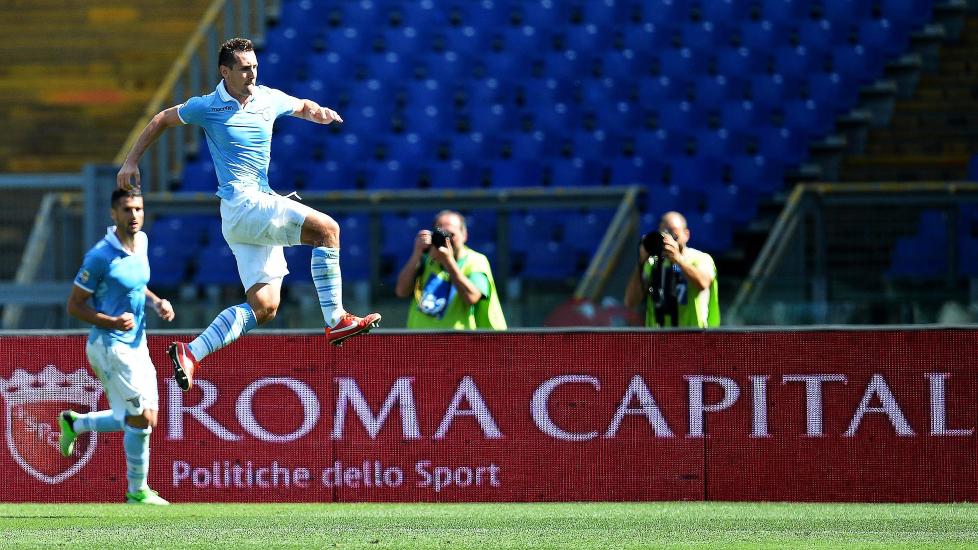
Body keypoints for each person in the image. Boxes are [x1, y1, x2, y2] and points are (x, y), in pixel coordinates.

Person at [116, 38, 380, 392]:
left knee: (265, 306)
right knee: (327, 230)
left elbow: (300, 105)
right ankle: (336, 320)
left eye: (254, 66)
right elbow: (163, 118)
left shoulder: (267, 98)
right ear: (224, 72)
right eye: (244, 68)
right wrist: (131, 161)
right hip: (244, 204)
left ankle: (191, 352)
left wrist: (317, 112)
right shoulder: (207, 106)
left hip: (248, 216)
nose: (252, 73)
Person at [60, 188, 175, 505]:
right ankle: (137, 491)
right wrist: (111, 321)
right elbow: (74, 305)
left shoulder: (143, 242)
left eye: (138, 209)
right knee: (140, 419)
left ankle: (76, 423)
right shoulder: (99, 257)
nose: (134, 215)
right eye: (127, 209)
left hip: (138, 344)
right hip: (110, 347)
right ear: (113, 214)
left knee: (147, 418)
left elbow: (137, 285)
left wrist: (156, 302)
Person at [394, 210, 507, 330]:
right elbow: (401, 291)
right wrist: (417, 253)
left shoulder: (475, 260)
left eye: (451, 235)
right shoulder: (426, 259)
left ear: (464, 235)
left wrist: (448, 261)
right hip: (421, 339)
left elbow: (472, 297)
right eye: (440, 234)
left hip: (460, 340)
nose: (446, 240)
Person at [624, 211, 720, 328]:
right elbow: (631, 301)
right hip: (659, 336)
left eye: (672, 230)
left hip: (694, 335)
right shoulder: (653, 263)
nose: (667, 236)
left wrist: (678, 259)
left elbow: (703, 283)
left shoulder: (700, 259)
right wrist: (641, 262)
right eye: (663, 232)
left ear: (686, 234)